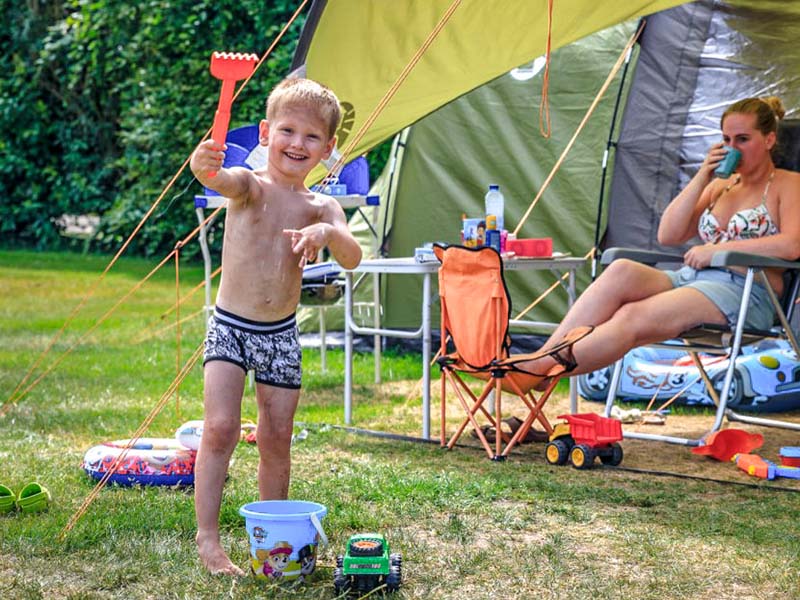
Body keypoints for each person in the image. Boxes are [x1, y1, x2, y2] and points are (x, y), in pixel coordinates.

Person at [189, 77, 362, 575]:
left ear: (328, 148)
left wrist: (327, 231)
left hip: (279, 335)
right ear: (266, 132)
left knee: (275, 436)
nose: (297, 144)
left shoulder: (321, 206)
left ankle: (270, 535)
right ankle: (208, 539)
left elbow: (351, 258)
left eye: (312, 137)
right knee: (220, 427)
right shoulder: (249, 184)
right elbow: (218, 180)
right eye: (287, 130)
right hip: (231, 326)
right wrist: (205, 168)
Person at [518, 96, 800, 382]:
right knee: (621, 270)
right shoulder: (721, 186)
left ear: (769, 140)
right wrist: (702, 176)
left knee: (632, 315)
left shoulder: (789, 184)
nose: (732, 149)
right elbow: (668, 234)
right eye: (726, 140)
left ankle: (538, 372)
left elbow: (792, 245)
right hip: (692, 277)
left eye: (742, 139)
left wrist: (718, 250)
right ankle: (542, 359)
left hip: (746, 290)